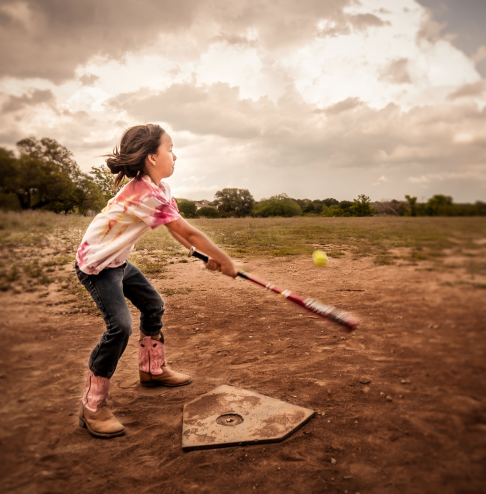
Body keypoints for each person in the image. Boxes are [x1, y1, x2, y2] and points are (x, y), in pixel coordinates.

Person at [75, 124, 237, 438]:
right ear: (152, 157)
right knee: (119, 326)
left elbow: (176, 230)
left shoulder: (160, 189)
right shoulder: (143, 192)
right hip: (96, 265)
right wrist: (225, 259)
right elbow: (189, 230)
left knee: (153, 305)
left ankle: (152, 370)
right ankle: (93, 404)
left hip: (118, 262)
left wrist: (199, 254)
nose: (175, 156)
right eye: (170, 149)